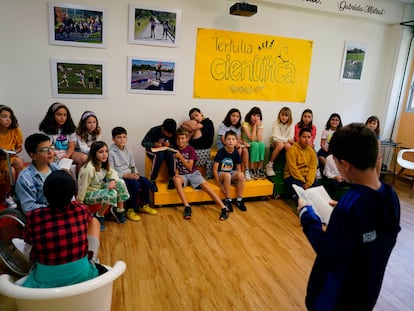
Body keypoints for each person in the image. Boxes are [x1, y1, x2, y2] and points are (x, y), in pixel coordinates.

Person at [297, 123, 401, 310]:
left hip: (334, 299)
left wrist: (307, 215)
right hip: (366, 295)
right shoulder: (389, 195)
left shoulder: (350, 204)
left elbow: (329, 252)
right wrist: (351, 215)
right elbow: (376, 235)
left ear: (344, 164)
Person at [22, 170, 104, 288]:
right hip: (83, 276)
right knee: (94, 222)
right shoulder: (81, 209)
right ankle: (92, 259)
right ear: (72, 194)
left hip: (45, 281)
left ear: (45, 193)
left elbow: (28, 250)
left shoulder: (33, 217)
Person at [173, 127, 229, 220]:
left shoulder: (190, 149)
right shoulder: (174, 150)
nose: (180, 141)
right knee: (176, 180)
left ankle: (224, 208)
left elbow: (190, 167)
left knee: (206, 186)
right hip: (183, 175)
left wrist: (180, 156)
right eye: (178, 138)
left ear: (187, 139)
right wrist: (176, 173)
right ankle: (187, 207)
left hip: (193, 173)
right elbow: (175, 164)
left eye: (182, 138)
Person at [77, 141, 130, 231]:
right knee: (111, 193)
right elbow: (82, 187)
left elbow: (112, 172)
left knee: (120, 182)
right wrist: (80, 204)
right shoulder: (88, 169)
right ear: (94, 153)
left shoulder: (103, 163)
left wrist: (113, 181)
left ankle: (119, 210)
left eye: (106, 151)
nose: (104, 154)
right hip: (88, 194)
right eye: (101, 152)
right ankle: (99, 215)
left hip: (98, 188)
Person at [109, 126, 157, 222]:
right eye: (119, 137)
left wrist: (136, 174)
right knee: (134, 185)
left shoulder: (128, 150)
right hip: (120, 177)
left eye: (124, 137)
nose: (122, 139)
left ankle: (143, 205)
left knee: (146, 182)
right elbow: (112, 171)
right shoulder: (111, 152)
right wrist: (125, 175)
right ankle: (130, 209)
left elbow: (132, 165)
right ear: (113, 139)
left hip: (130, 174)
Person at [15, 133, 60, 214]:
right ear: (33, 155)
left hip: (60, 211)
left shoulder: (56, 169)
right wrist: (53, 209)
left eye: (51, 147)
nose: (50, 152)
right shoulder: (24, 178)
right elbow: (29, 208)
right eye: (44, 150)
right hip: (42, 216)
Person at [213, 130, 246, 217]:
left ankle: (239, 199)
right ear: (224, 141)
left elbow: (238, 169)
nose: (230, 141)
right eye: (228, 139)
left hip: (231, 172)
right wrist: (220, 185)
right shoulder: (221, 152)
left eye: (233, 139)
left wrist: (238, 179)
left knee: (241, 174)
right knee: (227, 175)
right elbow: (215, 170)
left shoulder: (235, 152)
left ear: (236, 142)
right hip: (221, 173)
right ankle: (228, 200)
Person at [141, 118, 177, 192]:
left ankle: (171, 178)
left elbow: (176, 144)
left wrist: (170, 144)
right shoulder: (154, 130)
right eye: (168, 133)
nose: (170, 135)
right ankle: (153, 180)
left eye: (171, 133)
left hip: (165, 150)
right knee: (159, 155)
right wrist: (154, 144)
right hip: (153, 150)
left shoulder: (173, 132)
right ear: (163, 128)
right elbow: (143, 142)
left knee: (171, 154)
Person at [0, 105, 24, 207]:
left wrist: (13, 151)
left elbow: (19, 147)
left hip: (11, 157)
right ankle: (7, 196)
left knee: (19, 162)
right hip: (1, 160)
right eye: (4, 116)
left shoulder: (15, 130)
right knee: (12, 171)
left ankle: (20, 191)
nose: (8, 120)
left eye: (10, 117)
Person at [284, 127, 318, 199]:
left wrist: (308, 182)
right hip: (293, 176)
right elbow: (293, 169)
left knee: (315, 191)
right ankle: (302, 206)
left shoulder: (312, 151)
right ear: (299, 138)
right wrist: (302, 181)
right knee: (299, 192)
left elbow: (313, 168)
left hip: (307, 178)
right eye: (304, 137)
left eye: (309, 137)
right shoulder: (292, 150)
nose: (306, 139)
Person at [217, 108, 250, 180]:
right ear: (229, 116)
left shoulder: (238, 127)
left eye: (237, 116)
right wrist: (236, 145)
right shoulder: (223, 125)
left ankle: (246, 170)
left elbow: (239, 140)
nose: (235, 118)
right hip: (224, 145)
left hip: (233, 144)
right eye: (233, 116)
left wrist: (244, 143)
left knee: (244, 149)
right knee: (239, 148)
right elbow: (223, 141)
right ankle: (234, 168)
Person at [182, 108, 215, 179]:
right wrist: (185, 125)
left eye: (196, 115)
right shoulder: (197, 123)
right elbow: (189, 128)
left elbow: (194, 127)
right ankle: (185, 143)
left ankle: (185, 142)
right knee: (187, 129)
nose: (195, 118)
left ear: (201, 113)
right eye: (193, 118)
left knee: (193, 126)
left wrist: (185, 123)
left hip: (203, 146)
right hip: (195, 145)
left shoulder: (207, 121)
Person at [266, 107, 294, 177]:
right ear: (279, 115)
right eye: (282, 115)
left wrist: (286, 141)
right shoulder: (276, 123)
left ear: (289, 117)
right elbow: (275, 137)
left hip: (285, 143)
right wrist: (286, 140)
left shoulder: (291, 125)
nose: (284, 117)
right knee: (281, 145)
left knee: (288, 146)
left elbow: (291, 137)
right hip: (276, 142)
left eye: (286, 116)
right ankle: (269, 165)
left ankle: (288, 167)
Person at [241, 106, 266, 179]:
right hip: (246, 142)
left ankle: (259, 169)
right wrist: (255, 126)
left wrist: (258, 127)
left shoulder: (261, 124)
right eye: (254, 115)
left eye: (258, 116)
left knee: (261, 144)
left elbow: (259, 139)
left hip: (254, 143)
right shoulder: (245, 124)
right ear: (250, 115)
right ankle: (251, 169)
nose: (256, 118)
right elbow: (252, 139)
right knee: (255, 144)